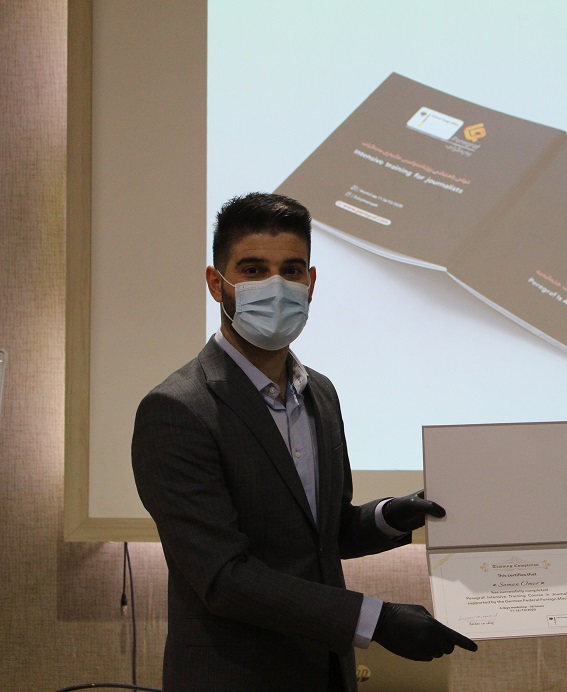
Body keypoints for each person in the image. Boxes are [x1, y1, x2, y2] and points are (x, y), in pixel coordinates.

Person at [132, 192, 476, 692]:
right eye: (253, 269)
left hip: (328, 675)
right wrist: (376, 620)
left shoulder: (320, 393)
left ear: (310, 284)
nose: (276, 286)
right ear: (216, 283)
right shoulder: (177, 409)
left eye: (291, 270)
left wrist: (394, 515)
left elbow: (322, 537)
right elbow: (223, 577)